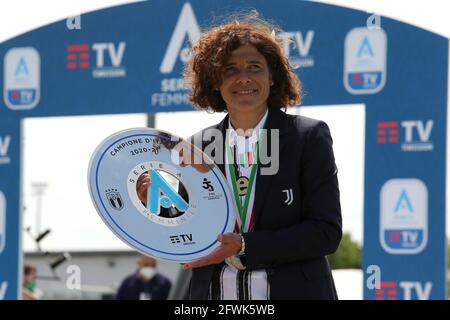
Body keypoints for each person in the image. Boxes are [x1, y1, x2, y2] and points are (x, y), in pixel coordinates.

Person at [180, 13, 342, 300]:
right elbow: (185, 230)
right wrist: (155, 203)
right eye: (230, 70)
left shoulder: (308, 136)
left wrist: (244, 244)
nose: (243, 78)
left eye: (255, 67)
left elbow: (325, 232)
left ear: (272, 77)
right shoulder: (198, 146)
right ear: (214, 80)